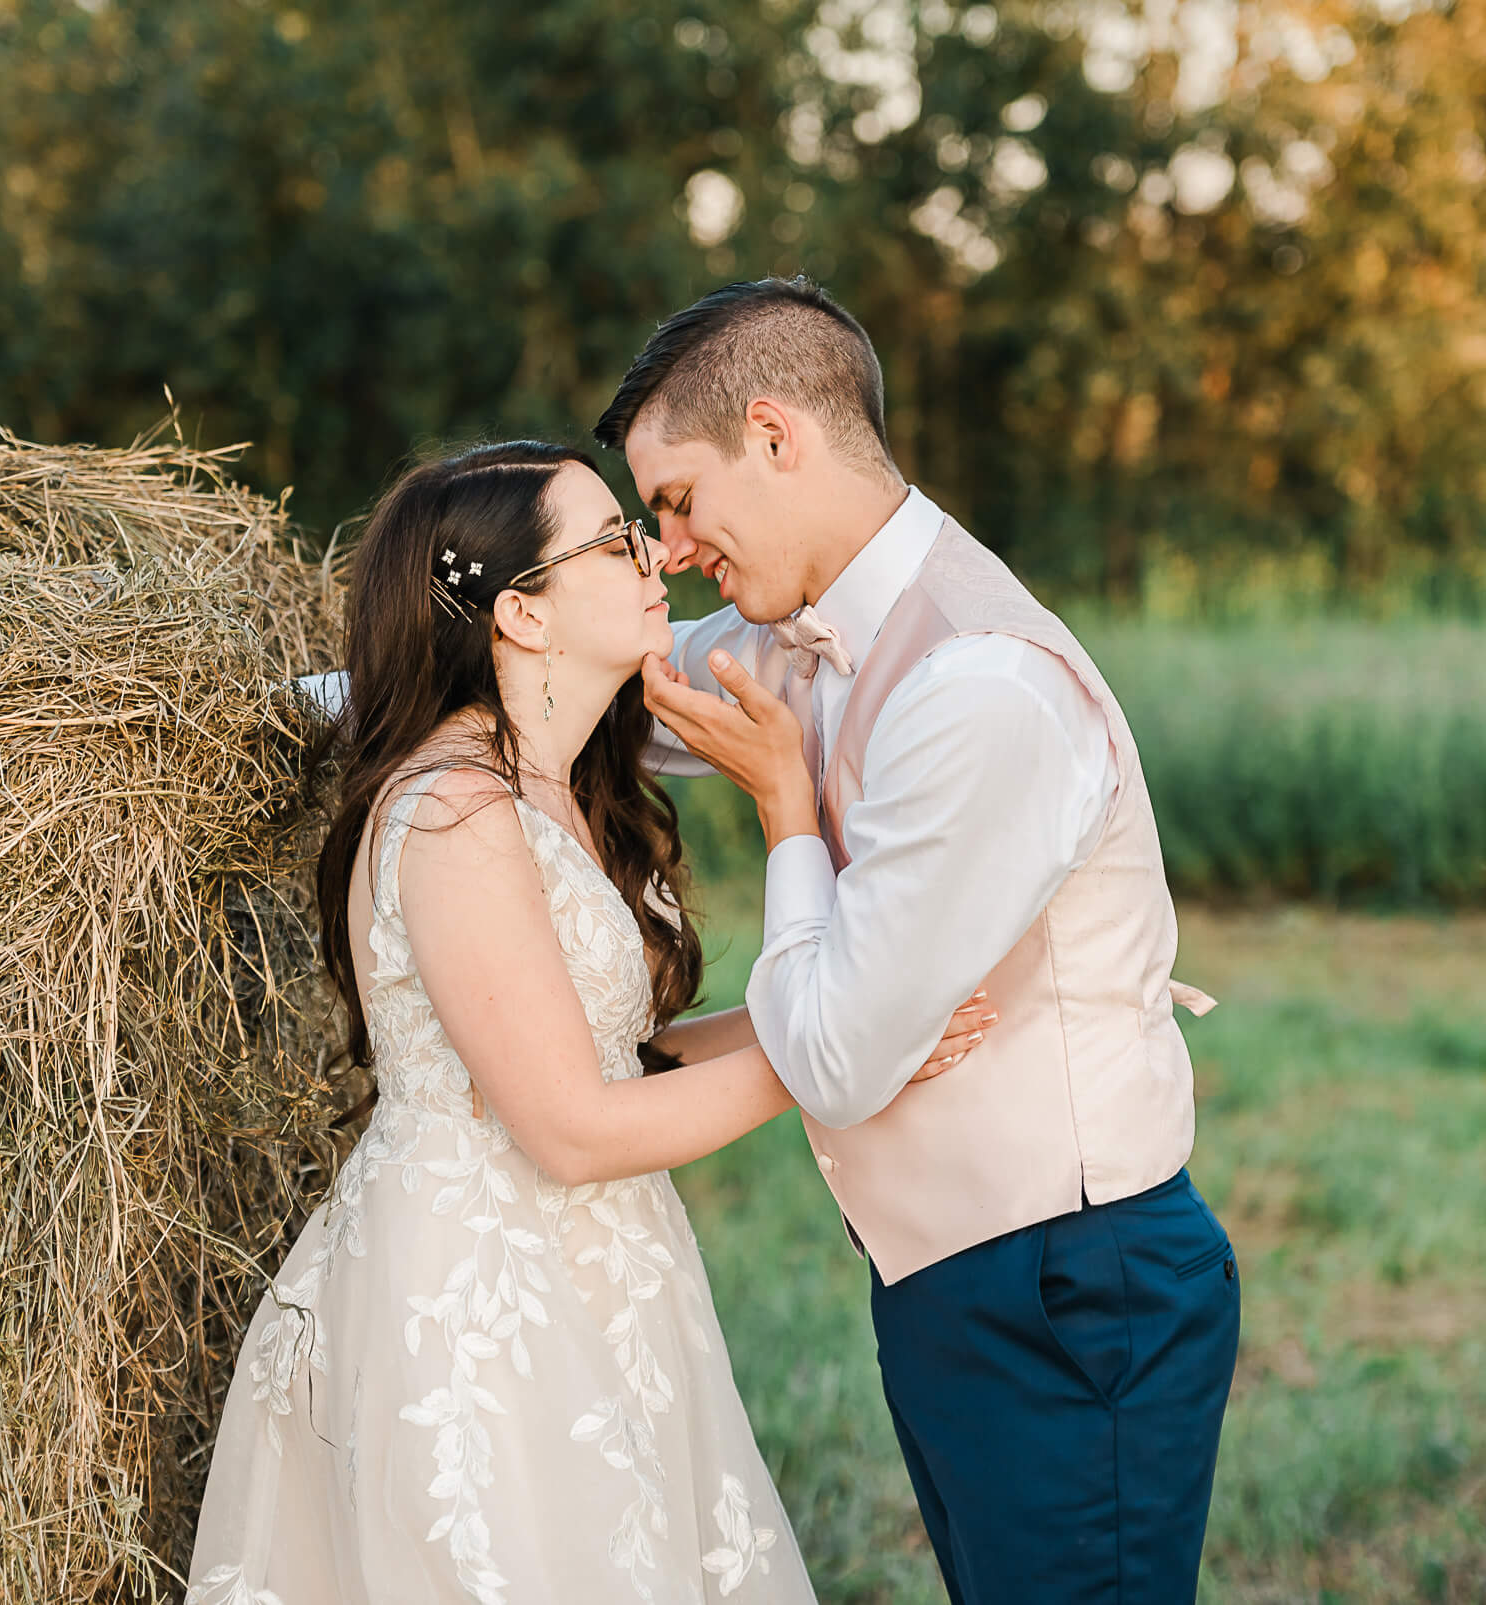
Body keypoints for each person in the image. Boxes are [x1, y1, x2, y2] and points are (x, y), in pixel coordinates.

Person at [188, 441, 992, 1604]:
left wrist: (860, 1019)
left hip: (591, 1269)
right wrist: (839, 1054)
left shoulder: (547, 781)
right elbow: (569, 1126)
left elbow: (627, 1056)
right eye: (615, 540)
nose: (656, 552)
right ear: (520, 614)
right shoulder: (455, 808)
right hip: (475, 1305)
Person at [602, 277, 1240, 1605]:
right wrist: (288, 693)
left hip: (1068, 1284)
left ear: (777, 438)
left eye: (675, 500)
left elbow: (836, 1059)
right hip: (955, 1286)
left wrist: (786, 813)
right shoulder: (804, 632)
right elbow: (586, 699)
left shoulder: (981, 685)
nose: (665, 550)